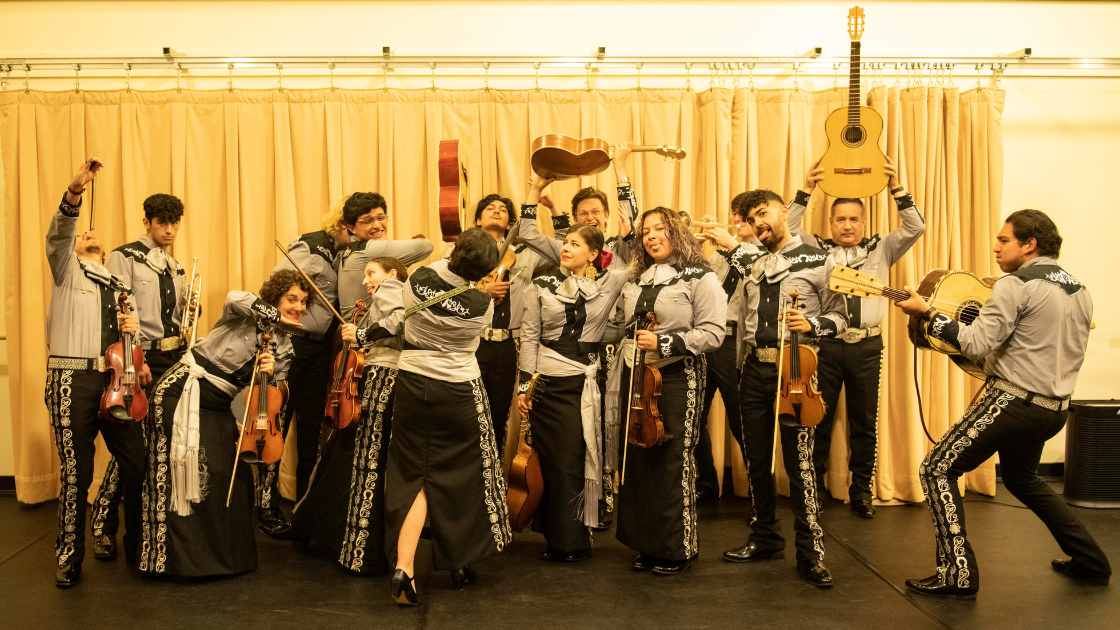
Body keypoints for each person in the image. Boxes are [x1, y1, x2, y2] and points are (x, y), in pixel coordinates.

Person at [895, 209, 1111, 598]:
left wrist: (928, 312)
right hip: (1055, 409)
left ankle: (957, 574)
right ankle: (1093, 561)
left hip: (1012, 402)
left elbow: (977, 343)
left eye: (1004, 240)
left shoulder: (1016, 284)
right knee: (1023, 479)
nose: (995, 247)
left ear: (1029, 245)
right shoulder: (1079, 288)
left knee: (935, 469)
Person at [137, 270, 308, 578]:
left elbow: (279, 394)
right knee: (178, 468)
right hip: (180, 391)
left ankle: (224, 560)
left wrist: (268, 376)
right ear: (275, 298)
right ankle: (171, 562)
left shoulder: (285, 347)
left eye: (303, 302)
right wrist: (269, 314)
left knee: (233, 474)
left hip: (216, 405)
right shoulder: (243, 314)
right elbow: (235, 297)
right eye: (291, 299)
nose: (298, 307)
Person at [721, 189, 848, 588]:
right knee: (756, 460)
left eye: (764, 213)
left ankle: (811, 555)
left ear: (783, 212)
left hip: (797, 373)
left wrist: (813, 326)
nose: (759, 223)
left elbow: (841, 318)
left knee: (800, 466)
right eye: (752, 219)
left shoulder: (819, 258)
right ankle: (765, 539)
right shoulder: (754, 263)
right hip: (755, 373)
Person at [789, 158, 925, 518]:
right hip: (825, 346)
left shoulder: (882, 247)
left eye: (854, 219)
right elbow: (786, 228)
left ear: (863, 222)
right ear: (830, 223)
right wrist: (806, 189)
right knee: (818, 418)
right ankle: (814, 489)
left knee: (864, 422)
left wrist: (898, 188)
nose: (847, 225)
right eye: (840, 219)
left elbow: (915, 227)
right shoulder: (814, 248)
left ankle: (862, 490)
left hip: (867, 346)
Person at [384, 228, 511, 606]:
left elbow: (441, 266)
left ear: (453, 251)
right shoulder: (482, 305)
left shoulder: (419, 278)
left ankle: (404, 567)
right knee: (463, 474)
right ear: (483, 271)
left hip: (410, 382)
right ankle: (458, 560)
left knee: (413, 474)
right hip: (458, 389)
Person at [604, 207, 726, 576]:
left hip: (677, 377)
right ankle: (648, 543)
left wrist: (664, 341)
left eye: (660, 228)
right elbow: (617, 324)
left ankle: (678, 549)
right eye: (646, 231)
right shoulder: (635, 278)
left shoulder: (700, 277)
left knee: (672, 462)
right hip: (635, 376)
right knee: (640, 462)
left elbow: (714, 333)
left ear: (678, 233)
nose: (652, 236)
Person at [268, 258, 407, 580]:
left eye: (372, 273)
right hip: (376, 379)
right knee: (338, 458)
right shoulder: (383, 296)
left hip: (383, 381)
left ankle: (361, 552)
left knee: (363, 464)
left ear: (393, 274)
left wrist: (361, 334)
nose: (366, 281)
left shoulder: (393, 288)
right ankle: (308, 526)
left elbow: (398, 321)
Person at [515, 176, 631, 562]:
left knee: (575, 460)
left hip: (584, 383)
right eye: (564, 242)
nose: (565, 247)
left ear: (595, 253)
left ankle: (574, 540)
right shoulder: (542, 284)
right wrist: (523, 388)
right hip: (546, 384)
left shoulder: (612, 280)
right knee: (551, 461)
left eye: (574, 244)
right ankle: (555, 535)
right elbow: (529, 338)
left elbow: (630, 242)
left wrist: (624, 177)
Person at [44, 158, 145, 587]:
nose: (86, 237)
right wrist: (74, 192)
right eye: (82, 237)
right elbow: (59, 235)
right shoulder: (67, 270)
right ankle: (69, 556)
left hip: (116, 382)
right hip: (72, 379)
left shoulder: (122, 290)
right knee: (77, 471)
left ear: (105, 255)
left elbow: (134, 352)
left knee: (136, 462)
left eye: (93, 240)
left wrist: (134, 337)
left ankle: (135, 543)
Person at [91, 192, 188, 560]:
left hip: (174, 355)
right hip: (140, 360)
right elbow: (118, 313)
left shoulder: (175, 265)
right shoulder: (125, 256)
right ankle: (103, 521)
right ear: (146, 222)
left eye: (175, 222)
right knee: (133, 443)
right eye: (162, 222)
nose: (169, 229)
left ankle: (145, 525)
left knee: (152, 443)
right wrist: (136, 358)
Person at [255, 206, 353, 529]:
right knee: (277, 423)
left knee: (311, 428)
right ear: (342, 223)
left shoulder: (344, 254)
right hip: (293, 344)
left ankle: (304, 505)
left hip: (318, 350)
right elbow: (278, 289)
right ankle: (266, 506)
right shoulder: (310, 247)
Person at [472, 192, 572, 453]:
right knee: (468, 414)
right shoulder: (464, 252)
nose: (497, 211)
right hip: (473, 343)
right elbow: (449, 290)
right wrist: (481, 292)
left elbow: (564, 249)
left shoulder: (526, 254)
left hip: (507, 346)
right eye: (490, 208)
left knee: (498, 415)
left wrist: (554, 208)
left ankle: (492, 478)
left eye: (503, 209)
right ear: (478, 220)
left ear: (509, 224)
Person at [692, 193, 764, 504]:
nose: (738, 221)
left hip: (737, 342)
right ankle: (705, 485)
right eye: (735, 214)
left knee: (742, 421)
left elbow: (757, 278)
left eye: (746, 216)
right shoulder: (719, 254)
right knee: (693, 416)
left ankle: (761, 494)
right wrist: (695, 251)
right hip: (706, 338)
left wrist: (733, 247)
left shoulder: (764, 253)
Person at [337, 192, 434, 320]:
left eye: (381, 218)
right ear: (352, 228)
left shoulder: (347, 252)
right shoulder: (370, 250)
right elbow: (426, 247)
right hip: (369, 333)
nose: (377, 225)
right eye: (368, 221)